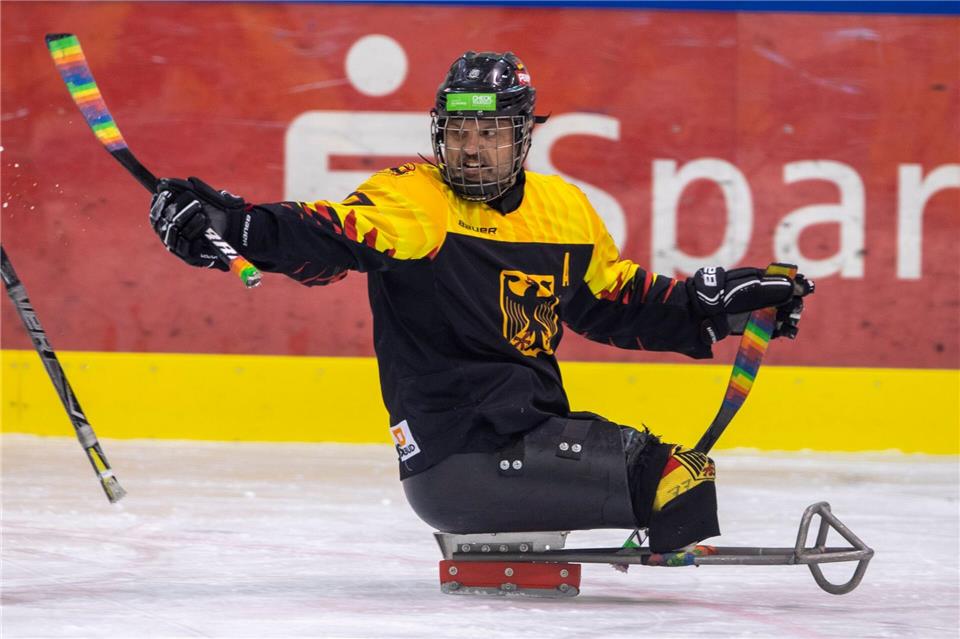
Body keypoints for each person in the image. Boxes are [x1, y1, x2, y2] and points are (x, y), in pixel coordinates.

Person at [148, 51, 813, 552]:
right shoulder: (416, 200)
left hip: (527, 435)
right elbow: (328, 236)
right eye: (459, 131)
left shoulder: (564, 211)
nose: (469, 148)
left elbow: (615, 301)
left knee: (683, 480)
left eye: (489, 132)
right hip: (460, 457)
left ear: (522, 135)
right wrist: (235, 227)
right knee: (672, 479)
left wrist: (716, 307)